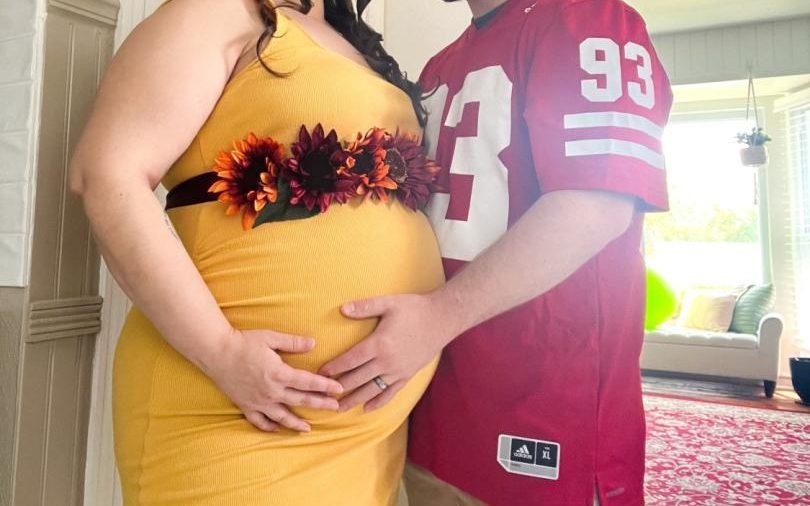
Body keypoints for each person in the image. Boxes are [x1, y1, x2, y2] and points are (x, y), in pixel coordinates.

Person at [67, 0, 445, 504]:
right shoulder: (217, 10)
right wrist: (222, 353)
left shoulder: (350, 38)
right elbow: (107, 174)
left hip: (365, 432)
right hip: (232, 407)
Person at [318, 0, 672, 504]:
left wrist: (438, 316)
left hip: (544, 408)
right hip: (434, 397)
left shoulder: (592, 18)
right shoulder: (440, 64)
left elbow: (598, 202)